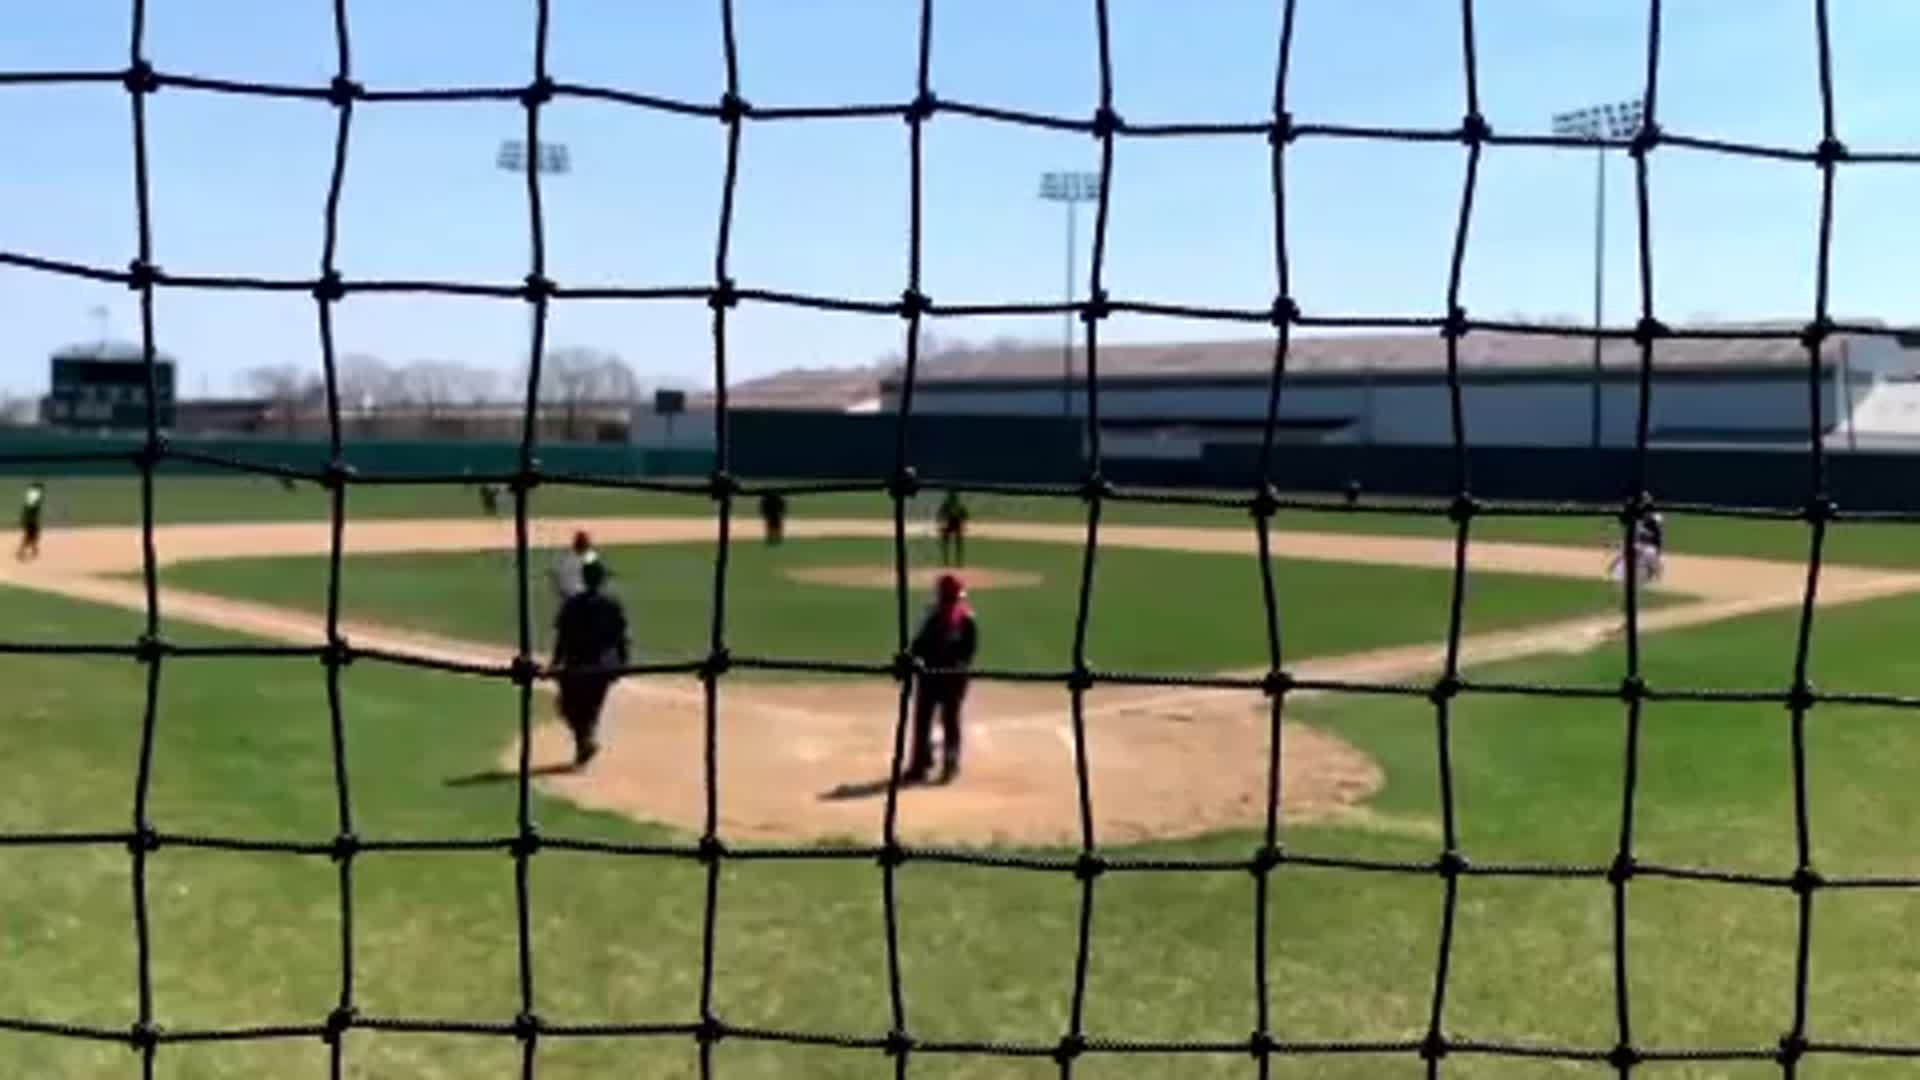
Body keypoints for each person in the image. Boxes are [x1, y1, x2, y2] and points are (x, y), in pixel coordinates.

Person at [549, 559, 630, 769]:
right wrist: (622, 662)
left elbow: (562, 637)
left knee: (570, 707)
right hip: (602, 665)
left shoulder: (572, 604)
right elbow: (621, 638)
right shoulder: (611, 605)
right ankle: (585, 744)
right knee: (590, 708)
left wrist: (555, 662)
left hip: (575, 664)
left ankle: (584, 744)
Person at [903, 573, 979, 785]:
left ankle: (923, 764)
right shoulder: (965, 617)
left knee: (928, 720)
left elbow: (918, 645)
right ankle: (944, 764)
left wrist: (913, 659)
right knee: (947, 721)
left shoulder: (937, 615)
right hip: (948, 676)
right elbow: (968, 652)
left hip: (936, 676)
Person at [548, 530, 601, 605]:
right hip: (581, 598)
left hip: (569, 598)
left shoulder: (566, 557)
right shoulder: (589, 557)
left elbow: (556, 578)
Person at [936, 489, 969, 568]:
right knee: (949, 543)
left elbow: (964, 515)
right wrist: (941, 524)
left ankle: (954, 562)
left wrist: (963, 524)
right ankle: (949, 562)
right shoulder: (952, 505)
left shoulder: (955, 505)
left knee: (956, 543)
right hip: (950, 523)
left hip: (955, 523)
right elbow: (940, 514)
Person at [16, 480, 44, 562]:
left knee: (32, 535)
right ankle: (23, 551)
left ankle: (32, 549)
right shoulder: (34, 496)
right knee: (31, 535)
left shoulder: (32, 495)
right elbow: (30, 508)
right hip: (30, 519)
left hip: (29, 519)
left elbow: (29, 508)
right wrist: (29, 519)